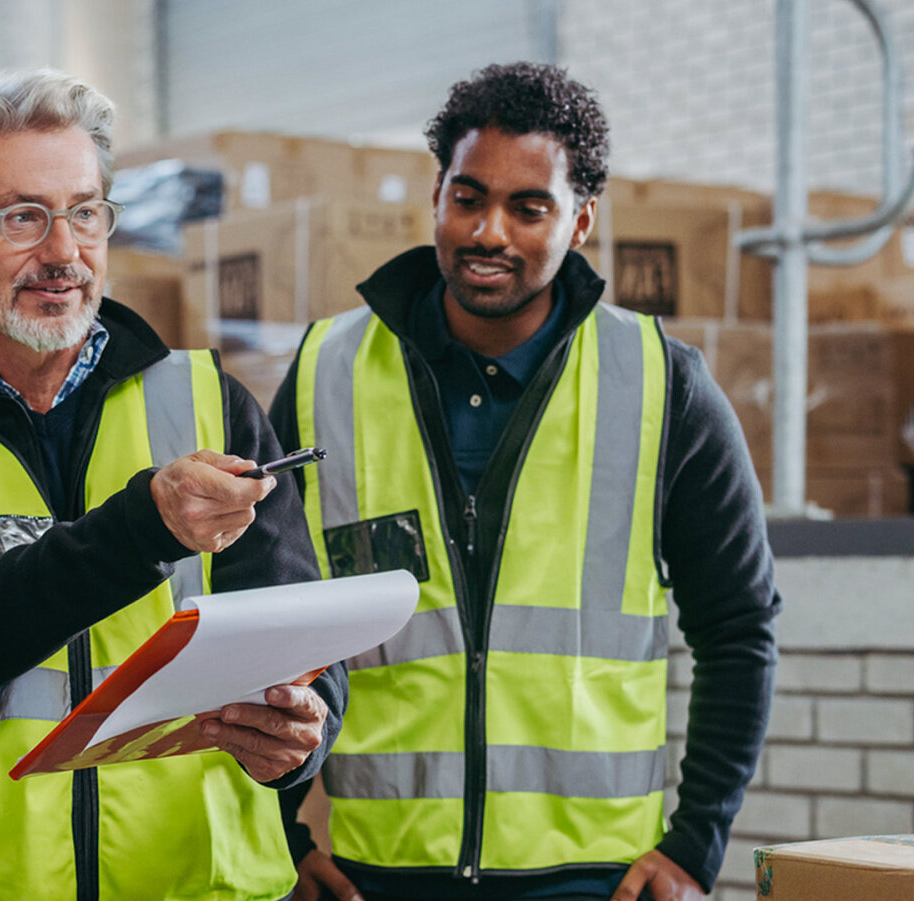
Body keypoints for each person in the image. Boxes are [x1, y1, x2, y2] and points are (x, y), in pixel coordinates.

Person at [0, 69, 346, 901]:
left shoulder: (210, 403)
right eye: (24, 216)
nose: (64, 252)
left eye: (86, 212)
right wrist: (144, 525)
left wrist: (302, 733)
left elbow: (299, 640)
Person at [271, 62, 779, 901]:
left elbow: (739, 627)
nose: (489, 232)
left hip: (591, 880)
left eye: (529, 207)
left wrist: (696, 842)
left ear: (581, 220)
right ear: (436, 195)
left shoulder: (661, 384)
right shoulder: (327, 372)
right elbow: (265, 616)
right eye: (468, 198)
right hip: (380, 874)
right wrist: (283, 835)